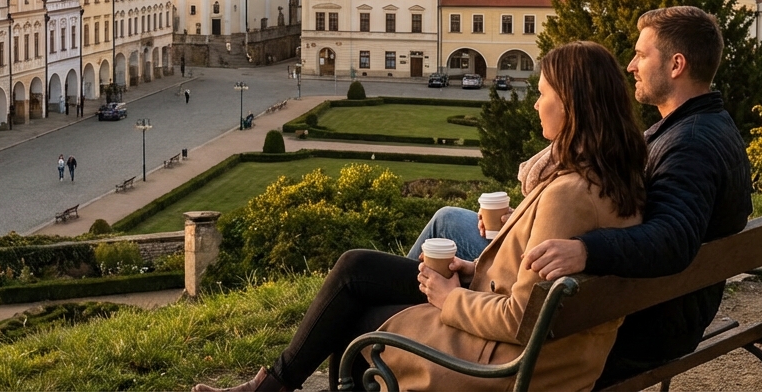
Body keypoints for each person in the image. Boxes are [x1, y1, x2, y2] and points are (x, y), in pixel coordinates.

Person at [194, 41, 648, 392]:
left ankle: (269, 386)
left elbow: (520, 319)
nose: (534, 104)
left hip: (502, 363)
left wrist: (449, 297)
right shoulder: (613, 174)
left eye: (543, 94)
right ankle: (268, 385)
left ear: (571, 105)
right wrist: (474, 270)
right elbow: (532, 290)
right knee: (357, 268)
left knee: (353, 321)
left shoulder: (570, 194)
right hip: (534, 345)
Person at [408, 6, 752, 388]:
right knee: (454, 224)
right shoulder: (705, 125)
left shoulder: (688, 144)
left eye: (641, 54)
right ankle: (428, 306)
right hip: (650, 302)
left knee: (446, 221)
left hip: (637, 325)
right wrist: (525, 222)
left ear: (676, 65)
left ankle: (420, 316)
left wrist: (586, 249)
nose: (631, 64)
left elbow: (674, 238)